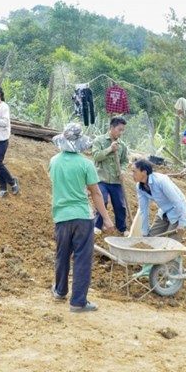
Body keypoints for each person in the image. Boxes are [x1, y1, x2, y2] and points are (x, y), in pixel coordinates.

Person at [48, 123, 114, 312]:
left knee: (62, 255)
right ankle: (78, 301)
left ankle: (60, 290)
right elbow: (96, 193)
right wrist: (107, 219)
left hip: (61, 216)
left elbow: (55, 182)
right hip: (82, 217)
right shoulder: (86, 164)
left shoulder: (54, 161)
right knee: (82, 258)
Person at [131, 159, 186, 279]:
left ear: (144, 172)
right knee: (151, 240)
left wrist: (182, 223)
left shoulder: (161, 181)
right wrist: (145, 232)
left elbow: (178, 202)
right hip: (164, 212)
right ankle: (148, 269)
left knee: (173, 245)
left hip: (178, 211)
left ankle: (174, 275)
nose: (132, 175)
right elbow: (143, 210)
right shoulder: (140, 187)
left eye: (134, 171)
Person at [91, 116, 129, 235]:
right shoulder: (99, 140)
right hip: (101, 178)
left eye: (123, 130)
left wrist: (122, 170)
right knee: (103, 201)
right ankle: (97, 225)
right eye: (119, 129)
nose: (121, 133)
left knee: (120, 205)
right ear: (112, 127)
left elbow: (125, 161)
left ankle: (122, 228)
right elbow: (96, 156)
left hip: (116, 181)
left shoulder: (122, 145)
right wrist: (109, 150)